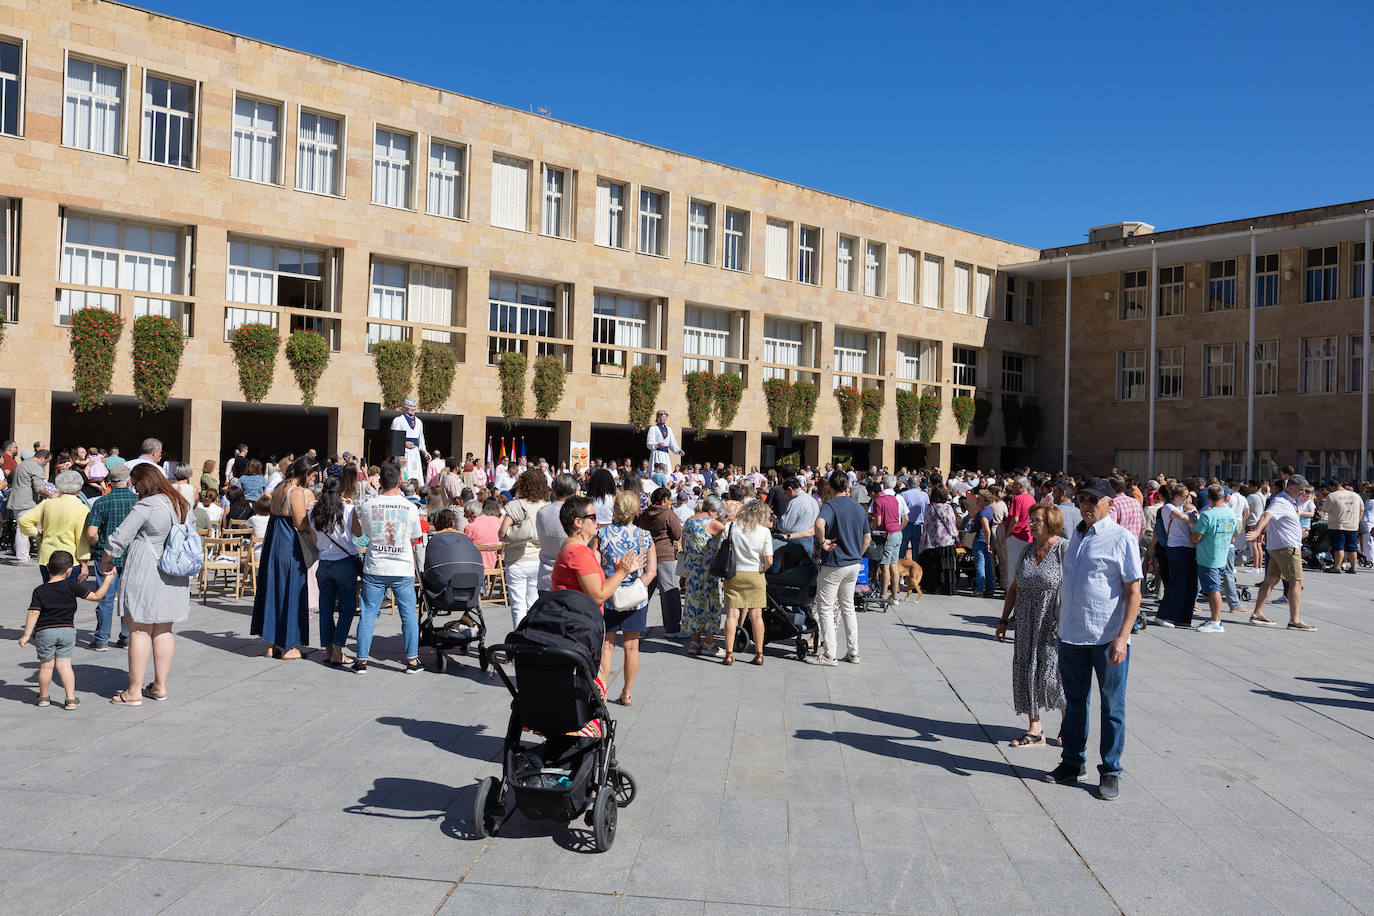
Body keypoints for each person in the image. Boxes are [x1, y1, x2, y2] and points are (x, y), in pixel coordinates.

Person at [1043, 478, 1142, 800]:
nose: (1086, 504)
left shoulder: (1121, 538)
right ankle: (1072, 762)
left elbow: (1134, 592)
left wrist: (1122, 638)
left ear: (1109, 504)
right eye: (1082, 498)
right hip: (1072, 635)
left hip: (1107, 637)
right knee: (1074, 704)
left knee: (1112, 707)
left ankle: (1111, 771)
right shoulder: (1077, 535)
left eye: (1093, 500)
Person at [105, 463, 195, 706]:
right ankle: (160, 686)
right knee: (164, 629)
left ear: (144, 481)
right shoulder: (181, 503)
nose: (134, 488)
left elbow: (120, 537)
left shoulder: (147, 505)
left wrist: (106, 559)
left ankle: (134, 691)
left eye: (135, 483)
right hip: (174, 568)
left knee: (139, 629)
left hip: (146, 564)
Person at [995, 504, 1067, 748]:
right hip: (1025, 623)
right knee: (1026, 671)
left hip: (1052, 623)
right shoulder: (1028, 550)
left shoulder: (1064, 550)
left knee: (1054, 674)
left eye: (1036, 520)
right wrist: (1004, 620)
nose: (1030, 524)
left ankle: (1068, 724)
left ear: (1051, 523)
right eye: (1030, 519)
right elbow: (1014, 587)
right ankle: (1035, 727)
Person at [352, 462, 424, 674]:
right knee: (408, 614)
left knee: (368, 613)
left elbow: (366, 532)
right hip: (401, 566)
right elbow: (415, 537)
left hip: (376, 566)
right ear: (400, 481)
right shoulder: (411, 507)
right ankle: (412, 660)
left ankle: (361, 661)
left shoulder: (368, 505)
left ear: (380, 481)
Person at [19, 551, 116, 709]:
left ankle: (43, 697)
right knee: (65, 665)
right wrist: (108, 579)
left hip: (45, 632)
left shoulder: (40, 590)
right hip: (67, 631)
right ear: (69, 570)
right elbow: (96, 597)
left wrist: (26, 634)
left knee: (46, 666)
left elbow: (33, 612)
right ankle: (70, 699)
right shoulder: (72, 586)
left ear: (47, 567)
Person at [250, 457, 317, 659]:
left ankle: (270, 645)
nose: (313, 479)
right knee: (291, 591)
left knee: (273, 590)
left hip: (273, 542)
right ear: (305, 473)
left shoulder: (279, 487)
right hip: (289, 545)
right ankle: (289, 647)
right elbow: (301, 524)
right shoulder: (296, 492)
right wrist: (313, 514)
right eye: (313, 475)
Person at [597, 490, 656, 705]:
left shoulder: (602, 534)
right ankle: (627, 693)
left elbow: (595, 565)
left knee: (607, 645)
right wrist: (637, 587)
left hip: (609, 594)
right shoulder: (644, 536)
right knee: (632, 647)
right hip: (635, 599)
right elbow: (651, 571)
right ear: (636, 511)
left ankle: (601, 691)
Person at [808, 470, 870, 667]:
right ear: (847, 486)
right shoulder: (858, 508)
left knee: (825, 607)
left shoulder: (830, 505)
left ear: (831, 486)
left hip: (834, 562)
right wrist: (858, 553)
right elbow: (867, 537)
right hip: (853, 563)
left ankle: (829, 654)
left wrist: (822, 541)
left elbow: (819, 523)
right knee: (848, 607)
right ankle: (853, 652)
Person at [1246, 474, 1317, 630]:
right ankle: (1295, 620)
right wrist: (1257, 532)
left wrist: (1298, 531)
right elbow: (1266, 515)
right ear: (1291, 487)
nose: (1303, 493)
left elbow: (1279, 520)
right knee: (1297, 581)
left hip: (1279, 547)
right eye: (1301, 489)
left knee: (1271, 580)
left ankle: (1257, 613)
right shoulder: (1281, 501)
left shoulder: (1291, 502)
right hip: (1287, 548)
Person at [551, 493, 642, 607]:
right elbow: (598, 596)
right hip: (580, 615)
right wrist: (622, 571)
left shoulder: (571, 547)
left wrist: (618, 572)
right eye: (592, 518)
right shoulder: (579, 553)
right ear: (578, 522)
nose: (597, 522)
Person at [85, 463, 137, 651]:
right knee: (128, 596)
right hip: (132, 554)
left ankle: (101, 639)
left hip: (105, 554)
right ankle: (127, 636)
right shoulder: (138, 501)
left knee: (105, 597)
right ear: (128, 480)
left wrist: (97, 543)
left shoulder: (101, 502)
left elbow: (91, 532)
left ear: (109, 482)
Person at [312, 475, 359, 667]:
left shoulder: (314, 511)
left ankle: (328, 650)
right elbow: (359, 532)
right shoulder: (347, 509)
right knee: (347, 608)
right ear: (342, 492)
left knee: (326, 609)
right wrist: (353, 507)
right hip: (344, 563)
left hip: (324, 563)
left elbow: (312, 538)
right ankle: (338, 650)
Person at [720, 498, 774, 667]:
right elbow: (769, 560)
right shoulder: (764, 531)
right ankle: (759, 654)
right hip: (755, 574)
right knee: (756, 616)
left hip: (734, 573)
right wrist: (761, 570)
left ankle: (729, 654)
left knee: (732, 614)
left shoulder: (730, 527)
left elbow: (721, 549)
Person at [19, 470, 93, 584]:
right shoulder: (82, 508)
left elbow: (24, 520)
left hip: (47, 556)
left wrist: (37, 533)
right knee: (66, 592)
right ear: (79, 487)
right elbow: (81, 539)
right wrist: (85, 564)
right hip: (70, 558)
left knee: (48, 590)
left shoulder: (47, 503)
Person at [499, 468, 548, 630]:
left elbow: (502, 532)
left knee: (518, 605)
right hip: (539, 560)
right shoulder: (545, 506)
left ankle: (518, 638)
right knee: (533, 603)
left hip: (517, 560)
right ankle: (532, 637)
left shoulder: (515, 505)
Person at [1190, 484, 1242, 632]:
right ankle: (1215, 620)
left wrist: (1191, 531)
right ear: (1223, 497)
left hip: (1208, 557)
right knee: (1214, 588)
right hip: (1222, 555)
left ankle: (1216, 621)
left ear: (1208, 497)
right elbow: (1236, 533)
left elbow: (1196, 538)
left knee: (1213, 591)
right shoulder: (1230, 513)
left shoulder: (1207, 515)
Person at [681, 493, 727, 656]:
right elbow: (728, 537)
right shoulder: (712, 523)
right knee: (711, 605)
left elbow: (684, 545)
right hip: (708, 571)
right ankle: (709, 643)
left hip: (692, 571)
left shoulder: (689, 521)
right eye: (719, 513)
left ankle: (694, 642)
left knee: (694, 605)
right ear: (713, 510)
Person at [636, 486, 684, 636]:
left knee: (644, 592)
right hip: (665, 555)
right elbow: (677, 534)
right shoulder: (667, 513)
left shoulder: (644, 514)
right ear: (665, 499)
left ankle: (637, 623)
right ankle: (673, 627)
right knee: (670, 592)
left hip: (647, 556)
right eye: (669, 499)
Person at [1155, 483, 1198, 628]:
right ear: (1178, 497)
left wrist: (1192, 511)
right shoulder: (1168, 507)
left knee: (1191, 584)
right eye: (1186, 496)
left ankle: (1184, 617)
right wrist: (1193, 513)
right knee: (1178, 582)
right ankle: (1164, 615)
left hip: (1190, 547)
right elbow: (1183, 518)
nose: (1188, 499)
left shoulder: (1183, 507)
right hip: (1177, 547)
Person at [536, 473, 578, 592]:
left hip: (546, 578)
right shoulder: (578, 514)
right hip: (571, 579)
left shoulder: (542, 512)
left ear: (553, 489)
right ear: (575, 491)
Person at [869, 474, 906, 602]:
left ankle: (883, 595)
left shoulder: (878, 501)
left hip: (887, 534)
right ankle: (894, 596)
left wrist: (872, 521)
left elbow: (878, 522)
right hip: (898, 532)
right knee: (894, 565)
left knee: (885, 566)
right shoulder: (894, 499)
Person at [8, 449, 50, 563]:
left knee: (23, 528)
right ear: (42, 459)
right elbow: (39, 488)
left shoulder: (23, 464)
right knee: (23, 529)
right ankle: (23, 556)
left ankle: (26, 554)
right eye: (47, 462)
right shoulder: (35, 466)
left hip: (18, 500)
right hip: (26, 501)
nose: (46, 464)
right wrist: (52, 495)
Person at [919, 486, 960, 596]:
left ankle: (931, 587)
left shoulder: (928, 507)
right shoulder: (947, 507)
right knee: (945, 565)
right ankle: (945, 588)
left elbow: (926, 523)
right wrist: (956, 537)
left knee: (932, 565)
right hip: (945, 540)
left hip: (931, 540)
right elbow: (951, 523)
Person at [1002, 478, 1035, 591]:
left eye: (1015, 485)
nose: (1013, 487)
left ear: (1021, 486)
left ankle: (1012, 592)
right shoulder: (1032, 499)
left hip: (1016, 535)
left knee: (1013, 565)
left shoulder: (1018, 499)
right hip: (1028, 535)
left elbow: (1015, 519)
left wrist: (1008, 533)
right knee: (1025, 566)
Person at [1323, 479, 1362, 574]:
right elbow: (1362, 509)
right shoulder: (1356, 495)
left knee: (1339, 547)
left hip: (1337, 525)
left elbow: (1325, 509)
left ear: (1332, 487)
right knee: (1352, 547)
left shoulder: (1332, 495)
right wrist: (1357, 521)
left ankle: (1337, 567)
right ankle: (1353, 567)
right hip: (1353, 525)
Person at [390, 397, 427, 484]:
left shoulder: (419, 422)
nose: (413, 408)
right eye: (411, 406)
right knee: (404, 474)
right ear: (404, 407)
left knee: (416, 474)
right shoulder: (398, 421)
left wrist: (424, 451)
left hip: (415, 453)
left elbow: (421, 439)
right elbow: (393, 439)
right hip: (403, 454)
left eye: (414, 406)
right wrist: (403, 443)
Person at [969, 490, 996, 598]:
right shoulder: (989, 510)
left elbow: (986, 530)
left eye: (979, 499)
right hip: (986, 541)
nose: (977, 500)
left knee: (980, 565)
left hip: (981, 540)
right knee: (988, 566)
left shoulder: (983, 513)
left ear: (985, 501)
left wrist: (987, 543)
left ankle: (979, 589)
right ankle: (989, 588)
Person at [464, 497, 503, 569]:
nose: (464, 516)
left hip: (475, 565)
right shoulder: (497, 521)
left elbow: (465, 549)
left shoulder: (469, 527)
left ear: (472, 513)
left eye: (466, 513)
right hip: (493, 563)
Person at [646, 409, 683, 473]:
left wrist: (678, 450)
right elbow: (649, 443)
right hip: (657, 454)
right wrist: (657, 445)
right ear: (658, 418)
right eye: (662, 417)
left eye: (665, 417)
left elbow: (672, 443)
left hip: (665, 455)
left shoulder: (669, 429)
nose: (664, 419)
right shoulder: (653, 428)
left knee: (667, 473)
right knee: (657, 472)